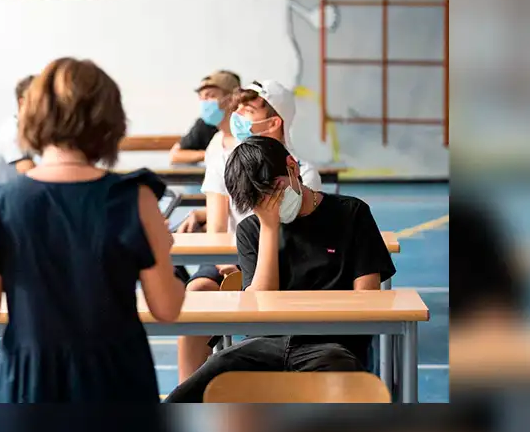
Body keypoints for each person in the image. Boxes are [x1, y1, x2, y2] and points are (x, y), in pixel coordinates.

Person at [0, 57, 186, 403]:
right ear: (110, 121)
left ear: (30, 115)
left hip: (30, 376)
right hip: (116, 375)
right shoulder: (136, 199)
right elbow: (167, 309)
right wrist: (164, 253)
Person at [165, 136, 394, 402]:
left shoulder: (352, 214)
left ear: (292, 168)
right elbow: (260, 306)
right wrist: (270, 228)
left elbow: (367, 302)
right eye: (257, 202)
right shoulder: (251, 230)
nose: (268, 206)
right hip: (263, 346)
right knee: (190, 392)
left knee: (340, 384)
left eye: (273, 193)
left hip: (330, 345)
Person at [175, 80, 323, 381]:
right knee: (197, 292)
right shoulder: (222, 162)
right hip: (230, 254)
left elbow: (294, 235)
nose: (238, 116)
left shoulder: (304, 173)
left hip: (280, 258)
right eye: (237, 109)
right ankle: (187, 388)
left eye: (248, 110)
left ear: (274, 122)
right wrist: (226, 265)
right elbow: (217, 226)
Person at [168, 70, 241, 165]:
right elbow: (175, 155)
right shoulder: (216, 141)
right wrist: (211, 155)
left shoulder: (247, 131)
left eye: (210, 95)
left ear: (231, 100)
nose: (204, 102)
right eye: (201, 97)